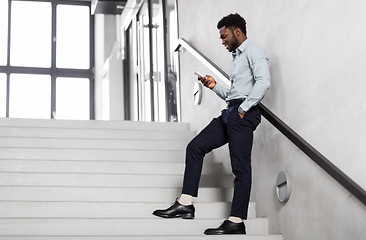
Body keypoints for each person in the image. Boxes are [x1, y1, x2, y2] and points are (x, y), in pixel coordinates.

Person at [153, 13, 271, 235]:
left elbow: (264, 82)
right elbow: (234, 94)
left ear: (237, 31)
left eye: (224, 36)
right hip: (232, 111)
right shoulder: (236, 59)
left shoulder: (255, 52)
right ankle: (185, 204)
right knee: (195, 147)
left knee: (240, 167)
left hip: (244, 114)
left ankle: (236, 221)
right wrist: (214, 86)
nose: (223, 41)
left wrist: (244, 109)